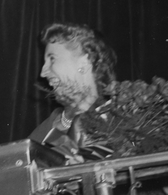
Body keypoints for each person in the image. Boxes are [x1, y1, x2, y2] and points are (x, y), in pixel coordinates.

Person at [30, 22, 117, 162]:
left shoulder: (125, 117)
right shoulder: (49, 127)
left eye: (52, 59)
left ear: (84, 63)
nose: (43, 73)